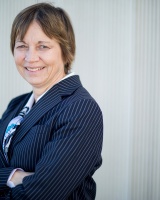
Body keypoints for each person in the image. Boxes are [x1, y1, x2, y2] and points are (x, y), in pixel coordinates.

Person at [0, 2, 103, 200]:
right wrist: (15, 176)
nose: (30, 58)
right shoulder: (16, 105)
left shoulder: (80, 108)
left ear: (65, 51)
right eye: (22, 46)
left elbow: (44, 193)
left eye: (43, 46)